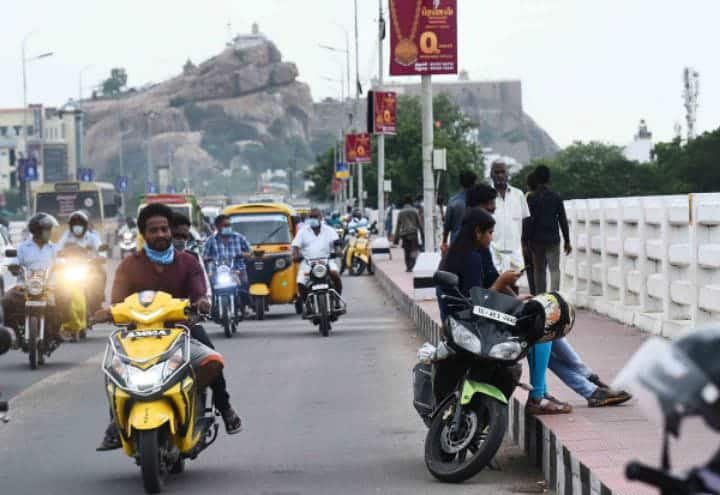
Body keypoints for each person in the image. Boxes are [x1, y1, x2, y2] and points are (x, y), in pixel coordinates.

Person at [97, 203, 242, 451]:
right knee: (113, 369)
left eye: (164, 229)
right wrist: (109, 313)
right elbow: (117, 302)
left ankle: (225, 407)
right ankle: (114, 422)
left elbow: (199, 291)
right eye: (154, 230)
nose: (161, 234)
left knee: (213, 360)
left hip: (182, 331)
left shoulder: (188, 262)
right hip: (138, 336)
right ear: (144, 234)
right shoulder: (128, 265)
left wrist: (202, 303)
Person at [2, 213, 68, 343]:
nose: (50, 232)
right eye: (47, 229)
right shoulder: (22, 247)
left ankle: (56, 330)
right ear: (37, 231)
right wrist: (14, 267)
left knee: (67, 297)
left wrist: (62, 266)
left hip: (50, 287)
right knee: (5, 301)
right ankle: (15, 334)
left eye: (50, 229)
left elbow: (62, 261)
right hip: (25, 287)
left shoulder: (54, 248)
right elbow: (14, 261)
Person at [527, 165, 572, 293]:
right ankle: (554, 296)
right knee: (554, 269)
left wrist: (526, 240)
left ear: (535, 178)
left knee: (539, 271)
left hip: (536, 240)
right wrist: (567, 241)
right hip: (553, 239)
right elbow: (562, 220)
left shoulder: (531, 198)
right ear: (549, 179)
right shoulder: (556, 197)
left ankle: (541, 298)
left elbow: (527, 221)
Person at [292, 208, 342, 300]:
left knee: (335, 275)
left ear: (320, 217)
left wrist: (338, 251)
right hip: (307, 263)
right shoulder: (302, 231)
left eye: (315, 217)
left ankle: (337, 299)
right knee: (300, 282)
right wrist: (295, 255)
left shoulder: (329, 230)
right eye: (310, 217)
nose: (312, 219)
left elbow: (336, 243)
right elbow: (295, 246)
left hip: (327, 261)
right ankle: (307, 304)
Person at [203, 214, 251, 307]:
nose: (228, 227)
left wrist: (240, 254)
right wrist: (210, 258)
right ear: (217, 227)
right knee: (208, 288)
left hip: (237, 269)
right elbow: (204, 256)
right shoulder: (211, 240)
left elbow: (250, 253)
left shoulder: (239, 237)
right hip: (217, 271)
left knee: (244, 285)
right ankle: (212, 307)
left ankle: (244, 306)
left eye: (229, 225)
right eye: (225, 225)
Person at [490, 160, 530, 273]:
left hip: (515, 253)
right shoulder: (486, 195)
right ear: (491, 175)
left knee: (514, 286)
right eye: (496, 172)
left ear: (508, 174)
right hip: (493, 253)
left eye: (502, 172)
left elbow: (525, 221)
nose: (500, 175)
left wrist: (525, 245)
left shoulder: (519, 195)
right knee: (494, 287)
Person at [441, 170, 477, 251]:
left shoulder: (453, 201)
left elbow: (447, 226)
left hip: (456, 243)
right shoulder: (478, 202)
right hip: (473, 244)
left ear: (461, 183)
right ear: (474, 184)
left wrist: (444, 242)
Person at [393, 195, 424, 272]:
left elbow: (398, 226)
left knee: (406, 251)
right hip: (413, 234)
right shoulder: (415, 211)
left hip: (404, 235)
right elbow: (420, 224)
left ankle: (408, 267)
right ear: (411, 202)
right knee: (413, 250)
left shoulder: (401, 212)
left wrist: (396, 239)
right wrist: (423, 235)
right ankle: (412, 264)